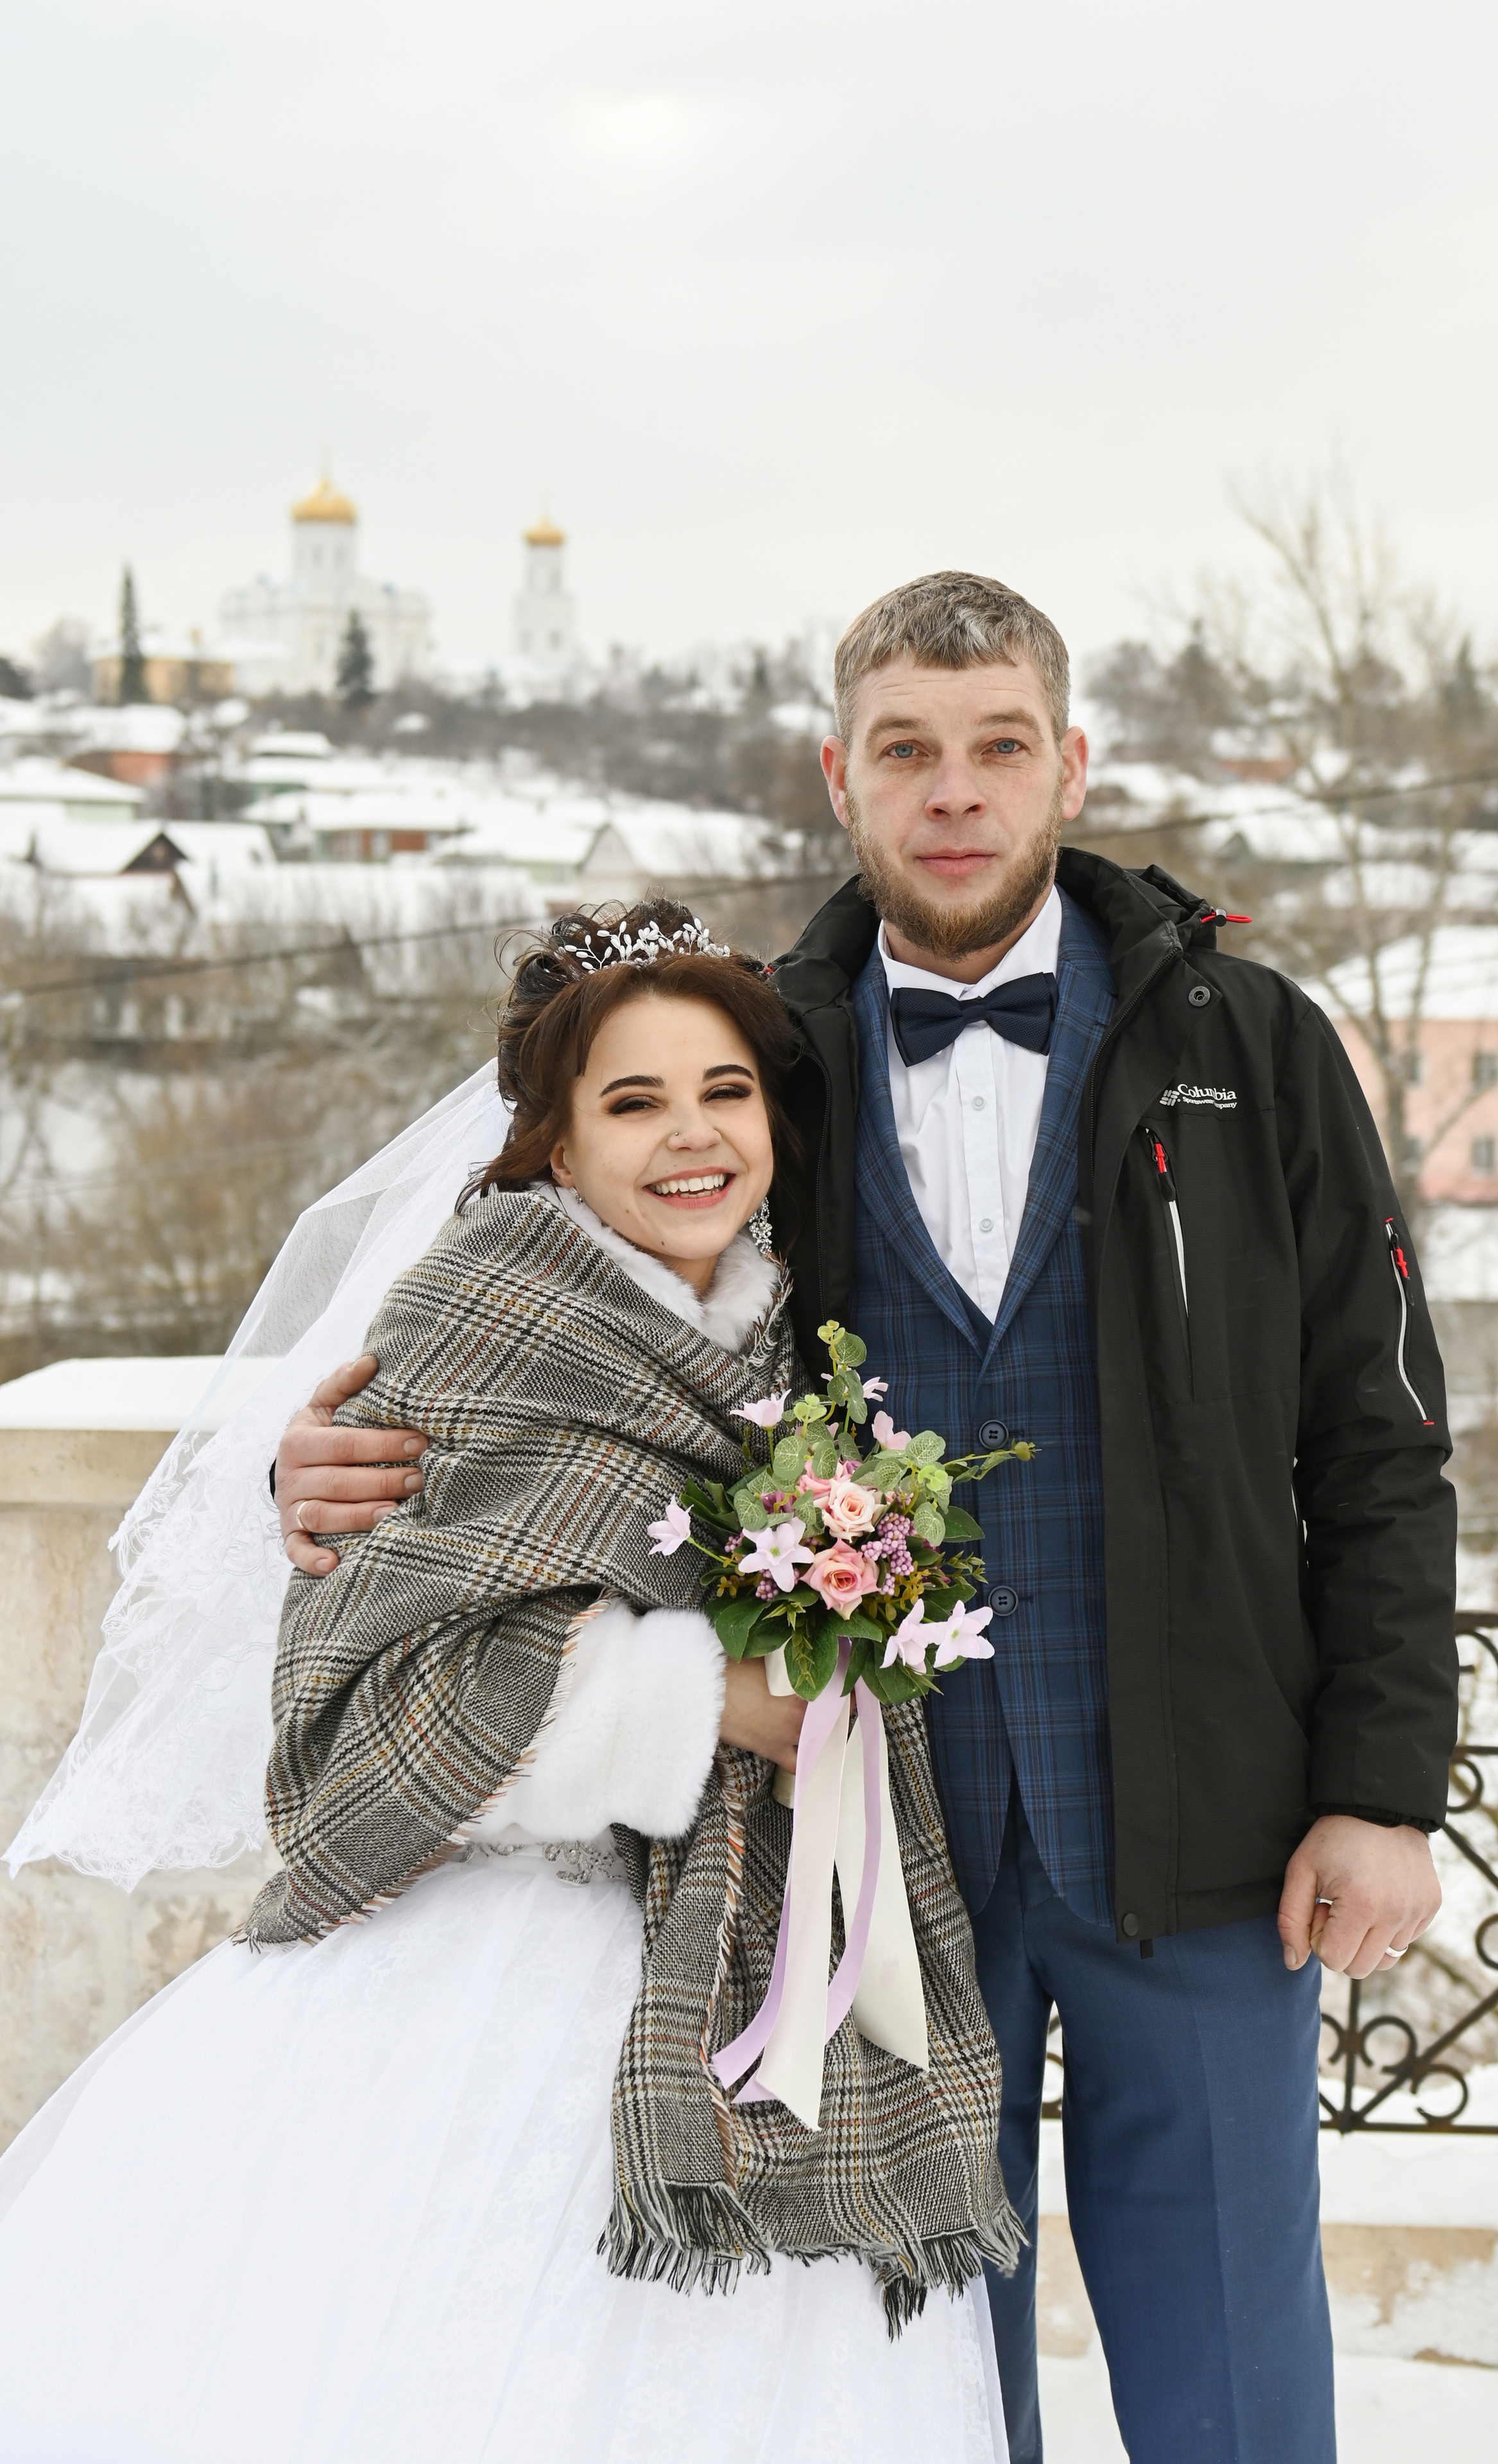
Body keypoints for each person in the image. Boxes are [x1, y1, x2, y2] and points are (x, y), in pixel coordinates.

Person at [281, 574, 1460, 2464]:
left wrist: (1386, 1785)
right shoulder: (767, 1067)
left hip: (1221, 1822)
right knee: (891, 2377)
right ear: (842, 778)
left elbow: (1383, 1436)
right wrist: (333, 1453)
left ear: (1072, 763)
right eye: (908, 749)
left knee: (1239, 2372)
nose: (958, 790)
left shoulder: (1254, 1043)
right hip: (854, 1843)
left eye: (1001, 745)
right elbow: (565, 1318)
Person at [0, 905, 1016, 2464]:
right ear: (547, 1145)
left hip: (729, 1952)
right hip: (485, 1964)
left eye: (724, 1091)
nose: (692, 1136)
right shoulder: (475, 1329)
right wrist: (704, 1700)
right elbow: (386, 1691)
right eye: (633, 1102)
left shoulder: (772, 1341)